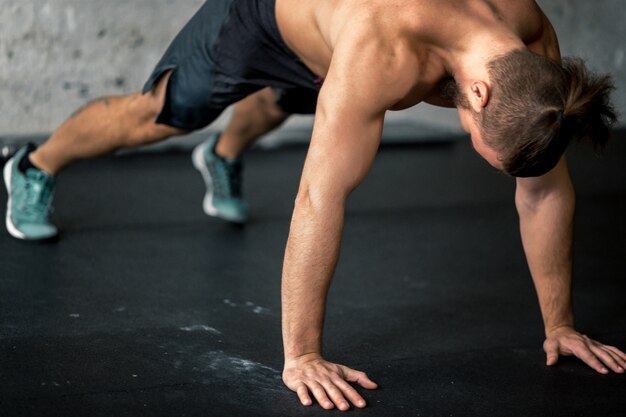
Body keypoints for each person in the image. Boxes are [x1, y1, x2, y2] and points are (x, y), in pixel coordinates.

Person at [3, 0, 624, 411]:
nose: (472, 143)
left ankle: (222, 156)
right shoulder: (386, 52)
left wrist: (560, 324)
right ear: (481, 92)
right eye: (476, 139)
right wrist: (300, 354)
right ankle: (34, 165)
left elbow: (541, 190)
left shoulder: (534, 56)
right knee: (157, 116)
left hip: (334, 39)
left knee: (279, 105)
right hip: (265, 19)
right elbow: (317, 198)